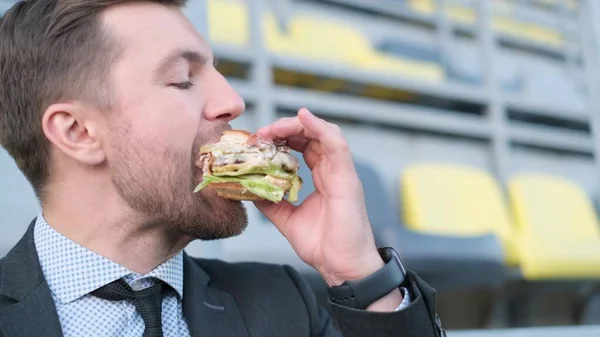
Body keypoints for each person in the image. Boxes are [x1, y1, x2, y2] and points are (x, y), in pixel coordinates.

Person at [0, 1, 445, 336]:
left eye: (218, 72)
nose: (233, 101)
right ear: (77, 132)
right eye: (182, 79)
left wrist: (360, 274)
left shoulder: (282, 304)